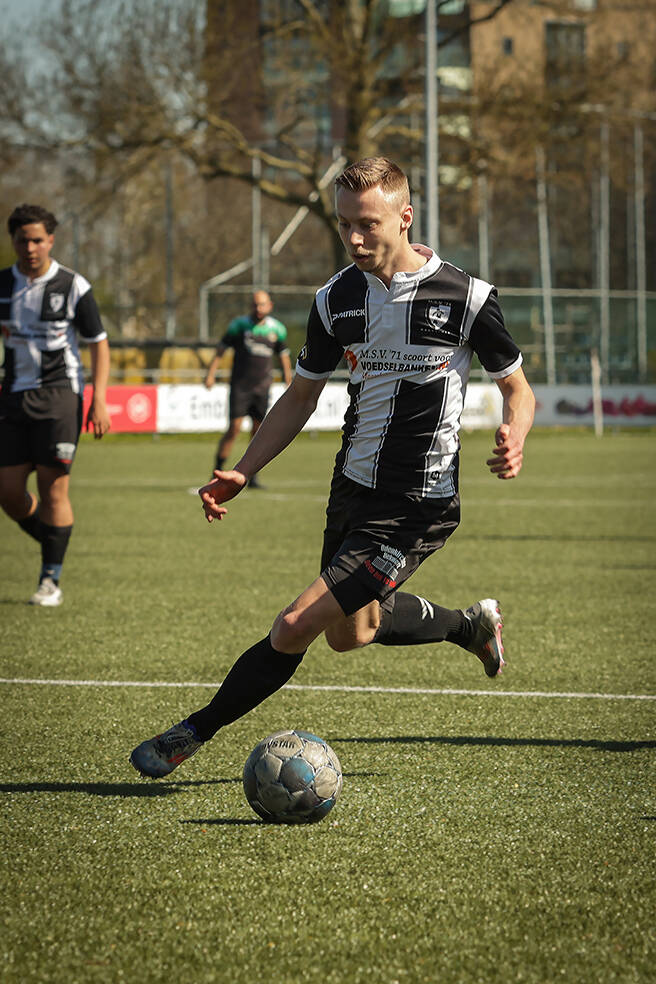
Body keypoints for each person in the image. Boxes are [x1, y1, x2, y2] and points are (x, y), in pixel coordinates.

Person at [130, 156, 535, 779]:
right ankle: (469, 626)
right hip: (352, 489)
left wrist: (516, 434)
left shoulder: (467, 297)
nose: (354, 238)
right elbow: (300, 396)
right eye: (345, 224)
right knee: (350, 633)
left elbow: (517, 388)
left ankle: (190, 733)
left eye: (368, 224)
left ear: (404, 217)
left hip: (417, 504)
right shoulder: (335, 298)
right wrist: (243, 469)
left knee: (296, 623)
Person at [0, 203, 111, 606]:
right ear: (13, 241)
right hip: (12, 395)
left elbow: (98, 343)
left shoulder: (73, 286)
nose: (29, 248)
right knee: (8, 491)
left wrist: (99, 399)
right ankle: (52, 538)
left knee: (53, 488)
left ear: (50, 240)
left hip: (60, 395)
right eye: (22, 240)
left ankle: (51, 578)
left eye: (36, 240)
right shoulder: (3, 284)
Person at [204, 290, 292, 488]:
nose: (258, 308)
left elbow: (283, 355)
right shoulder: (239, 325)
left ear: (270, 306)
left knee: (257, 432)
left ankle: (253, 476)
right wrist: (211, 373)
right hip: (240, 387)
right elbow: (221, 350)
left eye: (262, 304)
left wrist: (288, 379)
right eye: (255, 304)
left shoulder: (277, 329)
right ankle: (216, 471)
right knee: (234, 429)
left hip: (263, 387)